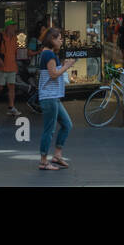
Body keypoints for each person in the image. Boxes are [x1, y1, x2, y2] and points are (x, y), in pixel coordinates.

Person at [36, 27, 75, 171]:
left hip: (54, 97)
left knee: (67, 124)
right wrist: (67, 66)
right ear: (52, 39)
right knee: (49, 129)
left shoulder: (48, 53)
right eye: (59, 39)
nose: (61, 41)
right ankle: (43, 161)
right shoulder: (48, 55)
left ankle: (57, 155)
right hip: (49, 97)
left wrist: (63, 65)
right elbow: (53, 74)